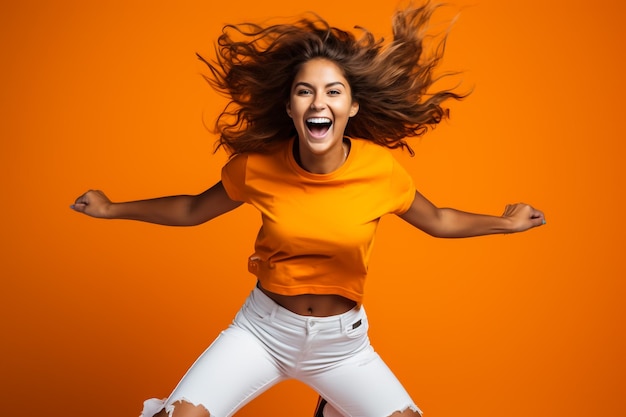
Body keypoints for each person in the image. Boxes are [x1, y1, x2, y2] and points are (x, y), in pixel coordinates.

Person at [71, 2, 545, 417]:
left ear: (352, 107)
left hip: (342, 346)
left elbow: (439, 220)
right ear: (292, 107)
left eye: (333, 91)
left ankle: (333, 403)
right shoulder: (257, 167)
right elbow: (194, 208)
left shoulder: (381, 171)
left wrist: (505, 223)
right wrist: (112, 209)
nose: (320, 102)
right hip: (261, 333)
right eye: (305, 91)